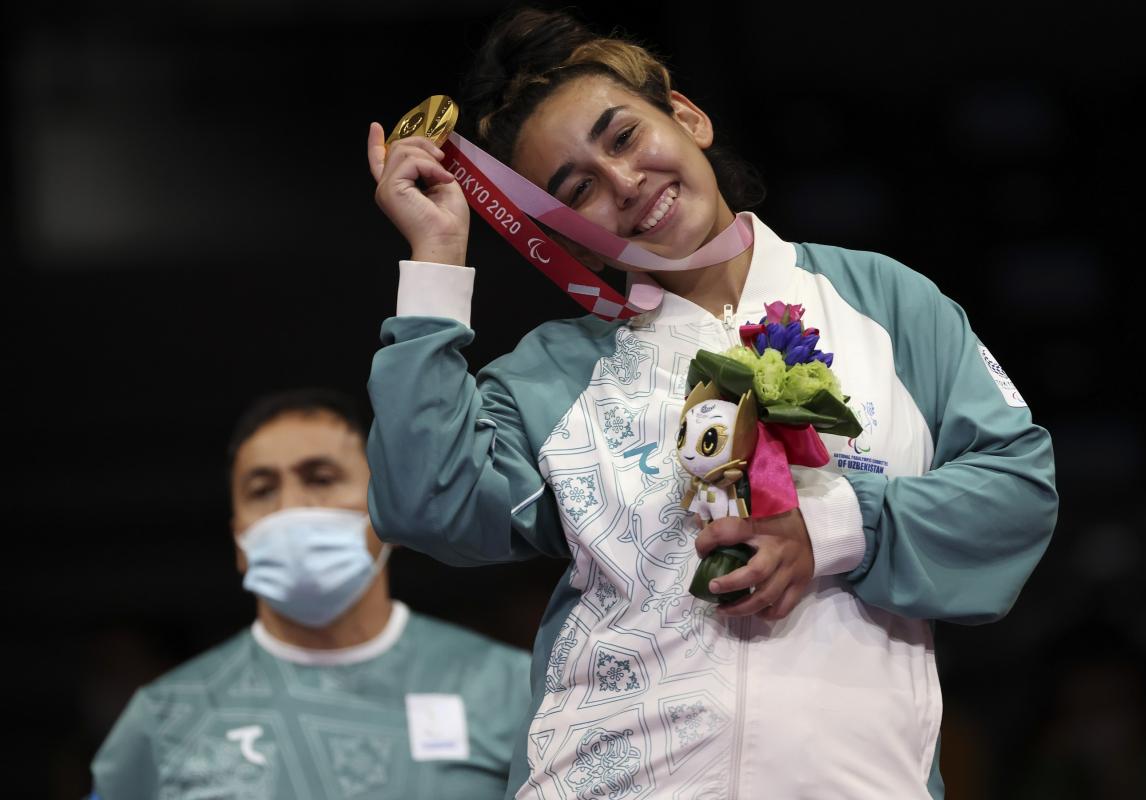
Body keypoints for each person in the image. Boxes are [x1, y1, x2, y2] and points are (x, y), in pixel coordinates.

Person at [365, 8, 1058, 799]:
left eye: (623, 138)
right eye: (577, 188)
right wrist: (435, 264)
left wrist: (835, 528)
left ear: (686, 116)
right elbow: (424, 501)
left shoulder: (884, 302)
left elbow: (1018, 487)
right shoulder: (555, 374)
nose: (625, 185)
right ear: (565, 232)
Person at [89, 388, 531, 800]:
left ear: (392, 507)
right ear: (237, 537)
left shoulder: (515, 689)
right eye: (261, 490)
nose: (290, 508)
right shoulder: (166, 717)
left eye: (320, 478)